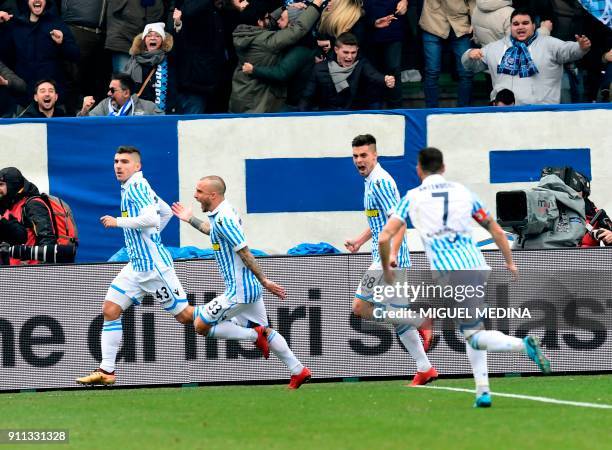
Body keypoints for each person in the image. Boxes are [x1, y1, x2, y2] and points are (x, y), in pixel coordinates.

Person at [378, 147, 551, 407]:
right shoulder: (462, 192)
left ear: (418, 170)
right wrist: (510, 262)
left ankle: (523, 346)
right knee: (472, 329)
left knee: (472, 334)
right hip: (476, 266)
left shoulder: (412, 197)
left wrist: (387, 267)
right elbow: (495, 229)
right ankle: (483, 391)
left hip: (451, 273)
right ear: (444, 168)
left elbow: (384, 236)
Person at [171, 176, 312, 389]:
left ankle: (253, 335)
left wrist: (264, 280)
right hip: (247, 288)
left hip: (240, 291)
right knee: (266, 330)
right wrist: (190, 218)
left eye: (199, 191)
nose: (195, 195)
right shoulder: (221, 214)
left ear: (213, 195)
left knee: (200, 325)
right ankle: (298, 370)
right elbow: (211, 230)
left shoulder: (224, 219)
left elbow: (245, 252)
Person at [76, 146, 193, 386]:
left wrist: (117, 222)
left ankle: (243, 325)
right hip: (136, 266)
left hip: (154, 268)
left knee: (187, 317)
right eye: (116, 161)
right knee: (110, 309)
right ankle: (106, 371)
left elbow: (151, 218)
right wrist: (151, 236)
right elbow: (165, 213)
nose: (118, 166)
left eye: (125, 161)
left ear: (137, 166)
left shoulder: (137, 186)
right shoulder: (133, 186)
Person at [344, 134, 437, 386]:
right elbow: (381, 220)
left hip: (387, 259)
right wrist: (360, 240)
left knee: (360, 308)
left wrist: (393, 254)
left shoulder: (382, 182)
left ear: (375, 155)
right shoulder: (370, 181)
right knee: (396, 316)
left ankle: (420, 320)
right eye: (355, 156)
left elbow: (400, 221)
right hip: (385, 255)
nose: (359, 160)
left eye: (363, 155)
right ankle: (425, 368)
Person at [462, 9, 591, 105]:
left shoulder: (548, 43)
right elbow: (471, 66)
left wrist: (580, 47)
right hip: (505, 115)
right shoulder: (495, 47)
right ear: (511, 27)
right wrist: (469, 55)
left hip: (542, 114)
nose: (520, 27)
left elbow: (568, 50)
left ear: (534, 26)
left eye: (525, 23)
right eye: (516, 24)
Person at [229, 0, 323, 113]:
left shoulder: (242, 34)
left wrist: (286, 7)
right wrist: (315, 5)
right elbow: (297, 30)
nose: (274, 21)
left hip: (240, 92)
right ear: (259, 22)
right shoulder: (266, 41)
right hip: (256, 100)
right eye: (267, 18)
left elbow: (270, 21)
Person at [1, 0, 79, 107]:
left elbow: (75, 55)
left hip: (53, 99)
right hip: (24, 98)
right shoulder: (16, 25)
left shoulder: (56, 23)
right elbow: (4, 55)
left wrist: (62, 43)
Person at [299, 32, 396, 111]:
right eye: (345, 52)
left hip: (353, 118)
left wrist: (386, 79)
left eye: (353, 52)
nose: (350, 57)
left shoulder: (361, 64)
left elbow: (373, 75)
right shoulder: (320, 68)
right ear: (336, 50)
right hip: (328, 119)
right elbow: (307, 97)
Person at [419, 0, 474, 108]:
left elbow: (474, 2)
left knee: (466, 73)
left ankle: (464, 113)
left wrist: (475, 21)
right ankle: (431, 114)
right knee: (432, 72)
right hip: (433, 20)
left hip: (460, 22)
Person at [0, 166, 56, 265]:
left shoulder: (33, 205)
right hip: (12, 270)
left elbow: (47, 241)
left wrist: (45, 271)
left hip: (31, 272)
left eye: (1, 185)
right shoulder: (10, 205)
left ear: (12, 185)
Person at [123, 22, 177, 114]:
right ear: (144, 40)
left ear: (162, 41)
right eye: (149, 35)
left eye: (157, 36)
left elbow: (172, 89)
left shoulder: (169, 60)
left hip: (161, 111)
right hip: (137, 111)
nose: (153, 38)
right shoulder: (133, 60)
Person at [78, 72, 164, 116]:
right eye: (109, 89)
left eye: (112, 90)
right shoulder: (104, 105)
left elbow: (165, 125)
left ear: (126, 93)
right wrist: (84, 111)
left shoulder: (148, 107)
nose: (108, 93)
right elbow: (85, 126)